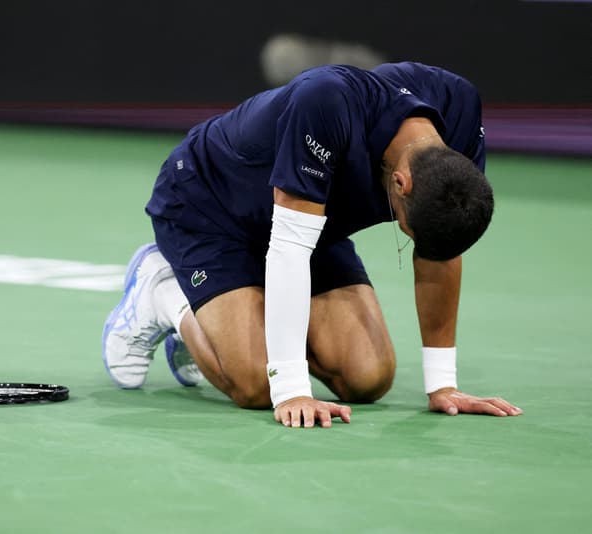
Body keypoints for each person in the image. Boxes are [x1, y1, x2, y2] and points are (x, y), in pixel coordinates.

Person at [101, 61, 523, 428]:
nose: (413, 241)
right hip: (211, 205)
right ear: (401, 182)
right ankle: (165, 292)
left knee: (368, 378)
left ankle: (223, 319)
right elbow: (288, 249)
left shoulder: (459, 115)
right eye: (408, 232)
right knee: (255, 383)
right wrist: (291, 389)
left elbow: (441, 250)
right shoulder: (324, 102)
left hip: (313, 216)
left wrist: (443, 384)